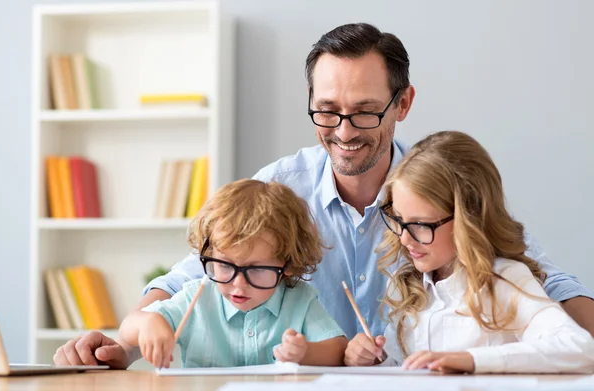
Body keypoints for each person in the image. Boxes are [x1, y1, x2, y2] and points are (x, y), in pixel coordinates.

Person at [54, 23, 594, 369]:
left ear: (402, 104)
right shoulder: (279, 187)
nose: (343, 130)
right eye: (327, 110)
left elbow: (534, 277)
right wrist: (123, 344)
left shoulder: (436, 187)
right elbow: (189, 280)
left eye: (364, 111)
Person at [344, 131, 594, 373]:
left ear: (469, 219)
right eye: (398, 219)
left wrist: (470, 360)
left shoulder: (505, 280)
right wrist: (375, 359)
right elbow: (405, 368)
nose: (404, 238)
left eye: (421, 224)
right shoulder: (412, 288)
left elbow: (581, 349)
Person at [120, 179, 347, 368]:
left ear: (288, 264)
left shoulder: (299, 300)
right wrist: (150, 321)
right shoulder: (196, 299)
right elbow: (128, 328)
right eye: (225, 266)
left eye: (256, 269)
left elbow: (338, 349)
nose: (238, 285)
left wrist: (305, 352)